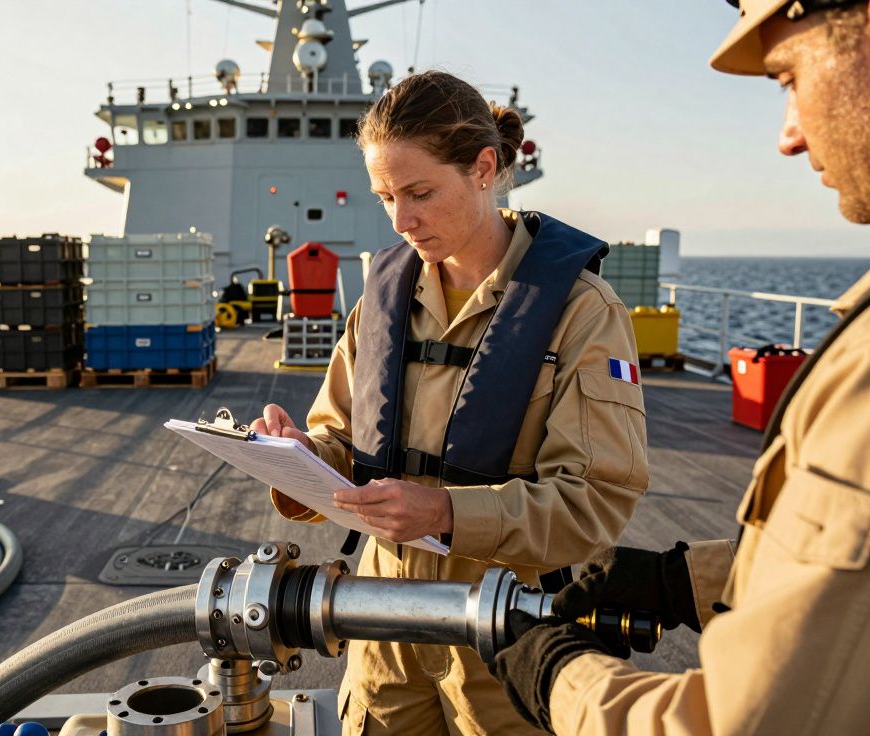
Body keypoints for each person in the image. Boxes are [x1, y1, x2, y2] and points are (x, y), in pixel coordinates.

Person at [488, 1, 870, 734]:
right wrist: (690, 581)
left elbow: (755, 722)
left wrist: (559, 677)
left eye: (787, 79)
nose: (789, 137)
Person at [251, 70, 650, 735]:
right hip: (381, 626)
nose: (402, 221)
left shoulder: (584, 313)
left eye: (420, 192)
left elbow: (594, 502)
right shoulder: (381, 303)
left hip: (507, 636)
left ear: (483, 168)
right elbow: (341, 441)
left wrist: (445, 511)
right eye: (385, 197)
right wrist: (298, 459)